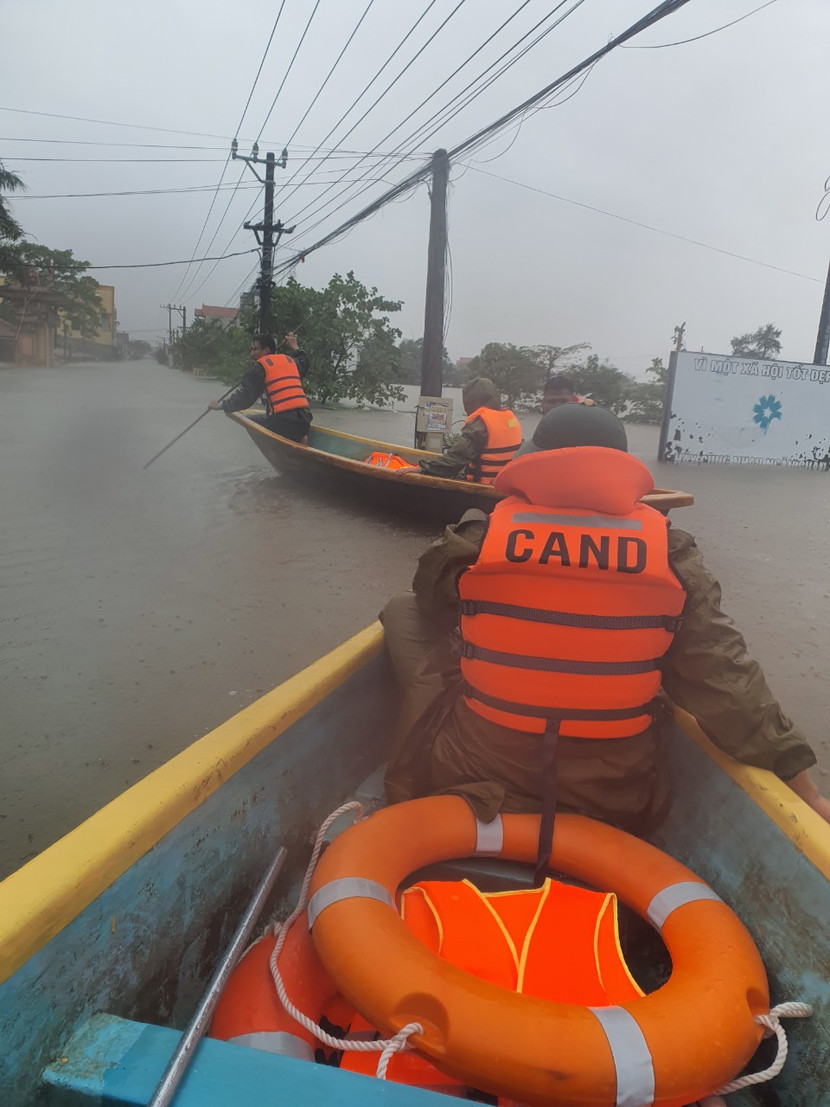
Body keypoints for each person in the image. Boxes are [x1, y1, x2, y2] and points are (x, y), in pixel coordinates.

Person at [380, 403, 830, 845]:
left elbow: (428, 595)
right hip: (614, 795)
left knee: (403, 610)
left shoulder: (480, 539)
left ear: (534, 463)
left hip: (476, 774)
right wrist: (808, 793)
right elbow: (730, 682)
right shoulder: (670, 554)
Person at [208, 332, 312, 444]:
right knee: (272, 417)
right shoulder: (290, 361)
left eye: (255, 349)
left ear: (266, 350)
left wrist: (222, 405)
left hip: (283, 421)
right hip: (305, 419)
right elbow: (304, 361)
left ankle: (275, 451)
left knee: (249, 421)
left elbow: (245, 398)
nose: (251, 354)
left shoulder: (260, 369)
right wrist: (294, 346)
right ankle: (300, 438)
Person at [414, 377, 522, 484]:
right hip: (504, 484)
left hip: (482, 488)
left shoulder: (479, 425)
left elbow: (457, 457)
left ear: (471, 401)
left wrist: (424, 469)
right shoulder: (511, 420)